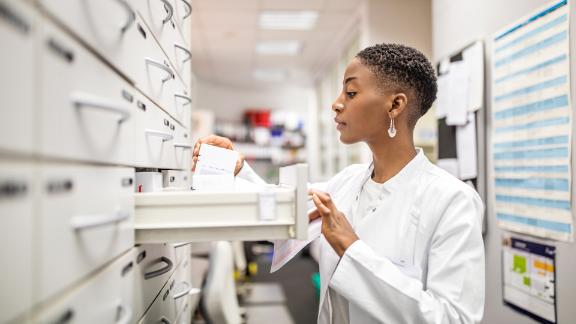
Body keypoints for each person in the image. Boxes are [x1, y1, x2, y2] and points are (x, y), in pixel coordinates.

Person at [192, 43, 485, 324]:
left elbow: (452, 318)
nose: (336, 104)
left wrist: (351, 249)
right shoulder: (349, 181)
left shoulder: (452, 200)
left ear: (395, 105)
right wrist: (238, 169)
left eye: (351, 92)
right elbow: (282, 210)